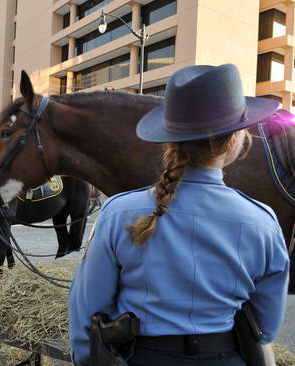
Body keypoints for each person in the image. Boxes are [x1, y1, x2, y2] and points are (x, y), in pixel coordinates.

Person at [68, 64, 289, 366]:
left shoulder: (118, 213)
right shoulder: (263, 222)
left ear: (170, 137)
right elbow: (266, 327)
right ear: (235, 140)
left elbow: (87, 314)